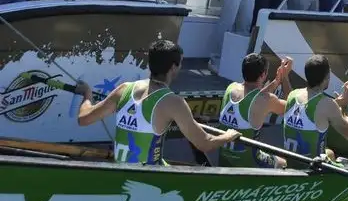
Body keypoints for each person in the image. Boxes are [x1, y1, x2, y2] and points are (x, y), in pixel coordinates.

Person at [75, 40, 241, 165]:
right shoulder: (174, 103)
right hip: (149, 181)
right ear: (174, 68)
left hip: (120, 171)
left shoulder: (123, 89)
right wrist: (228, 136)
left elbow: (84, 118)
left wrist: (87, 94)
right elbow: (205, 144)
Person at [218, 54, 293, 169]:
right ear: (263, 74)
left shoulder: (231, 88)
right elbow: (292, 107)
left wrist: (276, 82)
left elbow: (256, 97)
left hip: (224, 160)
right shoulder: (265, 100)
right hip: (249, 163)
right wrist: (284, 77)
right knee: (283, 163)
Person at [282, 55, 348, 164]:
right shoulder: (327, 104)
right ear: (327, 77)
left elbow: (310, 109)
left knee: (330, 153)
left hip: (290, 162)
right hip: (313, 169)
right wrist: (346, 106)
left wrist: (284, 76)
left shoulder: (292, 95)